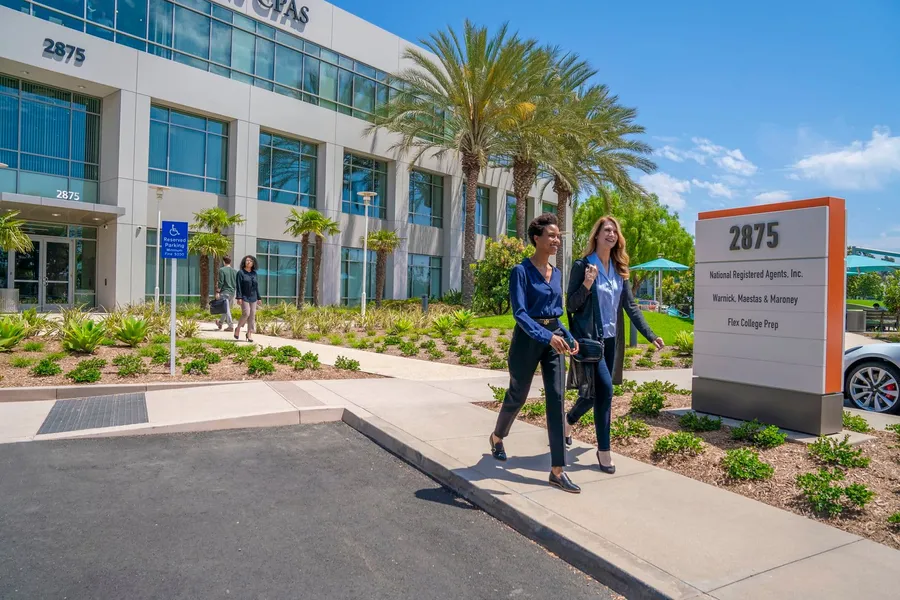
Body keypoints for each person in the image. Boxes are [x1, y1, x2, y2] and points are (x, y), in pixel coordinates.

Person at [489, 213, 582, 494]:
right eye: (551, 236)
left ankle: (557, 471)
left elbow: (555, 314)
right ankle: (497, 436)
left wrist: (567, 336)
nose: (556, 241)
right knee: (518, 394)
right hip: (527, 341)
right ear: (536, 239)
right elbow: (520, 314)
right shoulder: (521, 271)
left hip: (554, 341)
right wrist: (547, 336)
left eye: (558, 236)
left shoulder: (557, 273)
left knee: (557, 398)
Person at [564, 216, 664, 474]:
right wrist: (587, 283)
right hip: (591, 341)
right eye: (607, 230)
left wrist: (650, 335)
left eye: (615, 231)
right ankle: (604, 451)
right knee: (606, 391)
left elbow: (630, 307)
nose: (611, 234)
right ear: (597, 235)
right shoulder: (583, 265)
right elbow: (571, 305)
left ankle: (568, 419)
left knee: (594, 394)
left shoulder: (620, 270)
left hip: (611, 342)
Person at [234, 255, 261, 343]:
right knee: (246, 313)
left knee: (252, 315)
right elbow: (238, 286)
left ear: (253, 263)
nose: (248, 262)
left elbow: (256, 286)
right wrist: (239, 297)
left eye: (250, 261)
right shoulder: (240, 273)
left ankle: (249, 333)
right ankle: (238, 328)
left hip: (253, 297)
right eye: (247, 260)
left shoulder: (254, 273)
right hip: (244, 296)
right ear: (244, 262)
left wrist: (259, 298)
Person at [215, 256, 237, 332]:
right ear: (230, 262)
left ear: (223, 262)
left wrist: (217, 292)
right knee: (226, 308)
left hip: (225, 292)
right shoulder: (235, 271)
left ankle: (230, 326)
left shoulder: (222, 270)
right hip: (232, 292)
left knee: (226, 309)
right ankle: (220, 323)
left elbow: (221, 282)